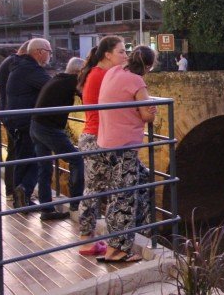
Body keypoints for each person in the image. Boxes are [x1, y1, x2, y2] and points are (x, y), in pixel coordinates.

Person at [95, 45, 157, 263]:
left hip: (105, 143)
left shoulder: (114, 72)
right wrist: (150, 110)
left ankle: (138, 231)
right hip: (124, 147)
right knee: (124, 198)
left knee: (142, 179)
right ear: (148, 66)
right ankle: (118, 250)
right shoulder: (137, 81)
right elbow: (147, 115)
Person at [76, 36, 128, 256]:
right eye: (122, 52)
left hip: (95, 136)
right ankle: (88, 241)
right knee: (96, 190)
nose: (126, 56)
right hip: (98, 138)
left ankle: (89, 239)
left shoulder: (97, 74)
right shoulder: (102, 75)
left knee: (96, 189)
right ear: (108, 54)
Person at [6, 38, 68, 220]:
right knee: (37, 160)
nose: (50, 55)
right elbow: (52, 86)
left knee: (23, 159)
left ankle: (21, 198)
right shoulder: (30, 69)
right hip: (26, 122)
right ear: (39, 52)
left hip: (17, 120)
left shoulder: (19, 66)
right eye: (49, 51)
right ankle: (24, 191)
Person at [30, 57, 84, 214]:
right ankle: (75, 203)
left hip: (36, 125)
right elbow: (87, 97)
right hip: (49, 129)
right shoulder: (72, 81)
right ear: (78, 72)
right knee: (77, 160)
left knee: (45, 167)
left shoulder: (59, 78)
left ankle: (47, 209)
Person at [0, 40, 30, 198]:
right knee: (15, 152)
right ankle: (13, 190)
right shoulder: (15, 64)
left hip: (6, 112)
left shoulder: (8, 62)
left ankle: (14, 189)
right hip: (13, 115)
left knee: (14, 151)